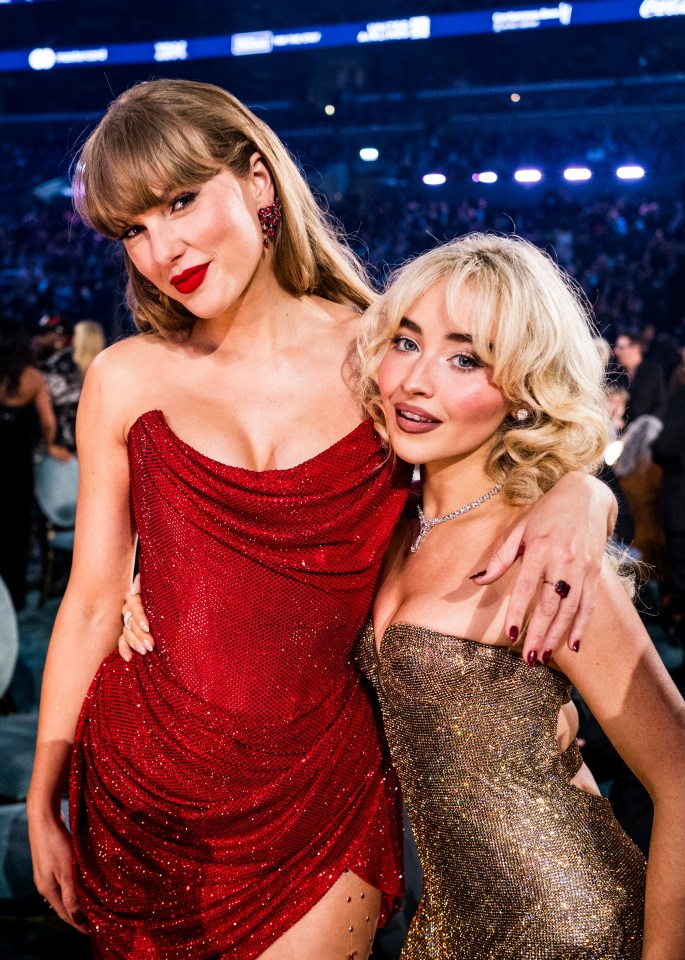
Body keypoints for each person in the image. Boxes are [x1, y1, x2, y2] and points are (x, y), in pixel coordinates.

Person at [27, 80, 616, 960]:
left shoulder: (381, 357)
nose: (163, 248)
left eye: (182, 201)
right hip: (140, 787)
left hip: (317, 794)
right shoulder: (125, 376)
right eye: (134, 229)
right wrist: (42, 796)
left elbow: (510, 440)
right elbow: (87, 599)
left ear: (259, 182)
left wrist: (582, 492)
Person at [354, 234, 685, 958]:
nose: (416, 380)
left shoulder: (549, 553)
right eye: (405, 342)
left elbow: (680, 776)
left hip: (573, 929)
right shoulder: (378, 529)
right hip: (443, 928)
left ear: (523, 390)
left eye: (464, 358)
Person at [0, 317, 57, 609]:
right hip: (19, 466)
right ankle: (16, 596)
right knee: (17, 529)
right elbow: (48, 423)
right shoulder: (33, 378)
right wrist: (49, 446)